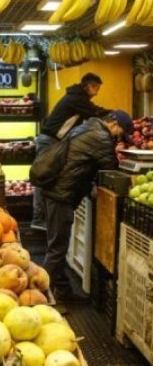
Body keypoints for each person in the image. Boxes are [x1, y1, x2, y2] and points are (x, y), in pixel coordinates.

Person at [41, 111, 133, 303]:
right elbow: (110, 168)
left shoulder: (88, 126)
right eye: (119, 135)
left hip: (54, 190)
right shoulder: (101, 137)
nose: (117, 139)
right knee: (57, 249)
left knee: (57, 246)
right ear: (114, 124)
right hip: (61, 194)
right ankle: (40, 297)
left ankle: (62, 291)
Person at [31, 73, 110, 230]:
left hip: (52, 141)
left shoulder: (76, 97)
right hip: (50, 141)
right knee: (43, 178)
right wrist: (115, 115)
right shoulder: (77, 99)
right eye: (97, 88)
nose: (97, 92)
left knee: (47, 178)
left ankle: (44, 218)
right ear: (89, 86)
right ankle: (39, 218)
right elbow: (95, 112)